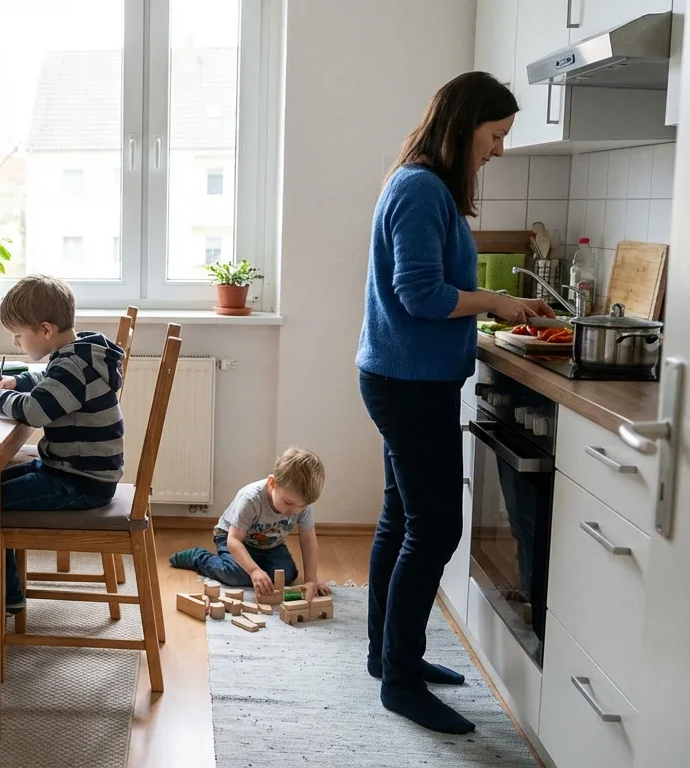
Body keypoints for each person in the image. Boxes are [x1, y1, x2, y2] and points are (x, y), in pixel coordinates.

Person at [356, 72, 554, 734]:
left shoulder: (422, 184)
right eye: (495, 135)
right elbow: (421, 295)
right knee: (434, 527)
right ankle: (401, 681)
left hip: (405, 377)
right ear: (462, 125)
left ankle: (389, 659)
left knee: (402, 519)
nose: (498, 149)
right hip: (408, 383)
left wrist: (495, 307)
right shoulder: (420, 188)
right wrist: (496, 302)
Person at [0, 275, 126, 663]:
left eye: (18, 335)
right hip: (76, 470)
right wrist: (18, 379)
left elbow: (34, 410)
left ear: (45, 330)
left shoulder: (73, 366)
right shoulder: (80, 354)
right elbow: (48, 381)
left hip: (79, 481)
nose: (16, 343)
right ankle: (9, 595)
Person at [167, 447, 331, 601]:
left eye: (300, 506)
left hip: (271, 543)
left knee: (287, 575)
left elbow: (308, 540)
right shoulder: (251, 499)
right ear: (272, 483)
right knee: (236, 575)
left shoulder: (301, 505)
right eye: (288, 503)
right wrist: (253, 570)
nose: (292, 512)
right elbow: (234, 540)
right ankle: (197, 557)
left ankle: (256, 565)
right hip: (234, 538)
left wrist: (311, 580)